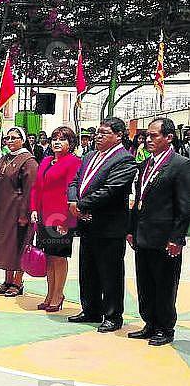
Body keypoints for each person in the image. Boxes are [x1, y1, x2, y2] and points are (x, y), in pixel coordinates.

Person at [67, 117, 136, 332]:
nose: (98, 136)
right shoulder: (89, 156)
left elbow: (111, 190)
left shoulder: (124, 159)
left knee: (110, 272)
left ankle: (113, 315)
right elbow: (75, 181)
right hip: (88, 224)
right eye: (97, 132)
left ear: (118, 135)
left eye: (104, 133)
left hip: (109, 226)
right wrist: (72, 200)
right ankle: (91, 309)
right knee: (88, 269)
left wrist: (81, 204)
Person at [126, 118, 190, 346]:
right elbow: (139, 200)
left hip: (165, 237)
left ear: (169, 137)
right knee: (145, 282)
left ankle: (165, 327)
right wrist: (131, 229)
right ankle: (150, 323)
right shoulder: (145, 165)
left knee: (165, 283)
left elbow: (184, 206)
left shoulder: (180, 165)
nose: (148, 140)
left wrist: (177, 237)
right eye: (146, 136)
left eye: (154, 136)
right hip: (143, 235)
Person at [30, 126, 81, 312]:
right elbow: (36, 187)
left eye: (62, 139)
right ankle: (49, 294)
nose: (57, 142)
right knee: (48, 257)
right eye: (54, 138)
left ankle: (58, 295)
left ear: (71, 143)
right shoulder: (46, 161)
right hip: (43, 215)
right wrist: (34, 208)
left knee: (59, 257)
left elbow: (72, 192)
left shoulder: (73, 162)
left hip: (60, 217)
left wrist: (66, 221)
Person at [0, 127, 38, 296]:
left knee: (19, 245)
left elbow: (30, 190)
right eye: (7, 138)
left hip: (18, 210)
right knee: (6, 246)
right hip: (3, 209)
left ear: (22, 140)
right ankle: (7, 280)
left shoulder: (28, 161)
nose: (9, 141)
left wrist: (25, 214)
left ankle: (18, 282)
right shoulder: (4, 158)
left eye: (13, 138)